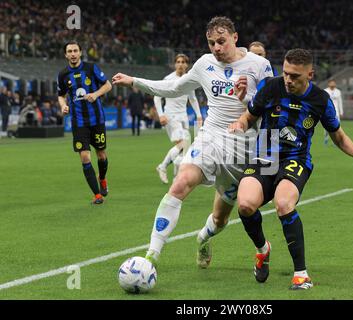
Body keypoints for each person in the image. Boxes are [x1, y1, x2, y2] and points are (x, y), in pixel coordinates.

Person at [112, 16, 273, 270]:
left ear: (235, 37)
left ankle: (203, 238)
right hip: (210, 137)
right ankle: (151, 256)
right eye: (211, 43)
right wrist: (135, 81)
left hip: (242, 149)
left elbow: (268, 109)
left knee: (220, 219)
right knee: (180, 183)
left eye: (221, 41)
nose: (216, 48)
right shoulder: (204, 64)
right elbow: (174, 88)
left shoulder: (260, 65)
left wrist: (247, 99)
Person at [229, 48, 353, 290]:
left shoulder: (321, 100)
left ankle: (301, 274)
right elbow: (249, 116)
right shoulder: (271, 87)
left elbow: (339, 137)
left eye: (295, 76)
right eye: (286, 73)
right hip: (265, 155)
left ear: (310, 74)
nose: (288, 80)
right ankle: (263, 250)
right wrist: (239, 123)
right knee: (246, 205)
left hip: (295, 159)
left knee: (283, 203)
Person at [57, 40, 112, 204]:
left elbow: (108, 85)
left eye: (75, 51)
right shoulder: (63, 74)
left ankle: (102, 178)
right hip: (79, 122)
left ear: (80, 53)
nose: (73, 54)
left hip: (97, 120)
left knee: (101, 154)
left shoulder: (91, 68)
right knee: (85, 157)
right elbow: (61, 95)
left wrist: (95, 94)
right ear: (66, 55)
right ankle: (97, 195)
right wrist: (63, 106)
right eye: (69, 51)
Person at [154, 54, 203, 183]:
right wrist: (161, 115)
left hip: (183, 116)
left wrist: (198, 115)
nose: (180, 64)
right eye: (178, 62)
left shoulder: (189, 79)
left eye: (183, 62)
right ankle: (163, 166)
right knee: (184, 144)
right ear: (175, 64)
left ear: (187, 65)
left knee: (185, 150)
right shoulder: (168, 79)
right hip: (171, 116)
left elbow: (192, 98)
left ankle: (176, 177)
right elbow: (157, 97)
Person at [323, 79, 343, 145]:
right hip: (327, 111)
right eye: (331, 83)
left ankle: (335, 141)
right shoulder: (325, 91)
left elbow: (340, 102)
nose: (332, 84)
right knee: (327, 127)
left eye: (333, 83)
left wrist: (341, 112)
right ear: (328, 84)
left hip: (336, 112)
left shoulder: (338, 92)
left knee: (337, 127)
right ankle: (326, 138)